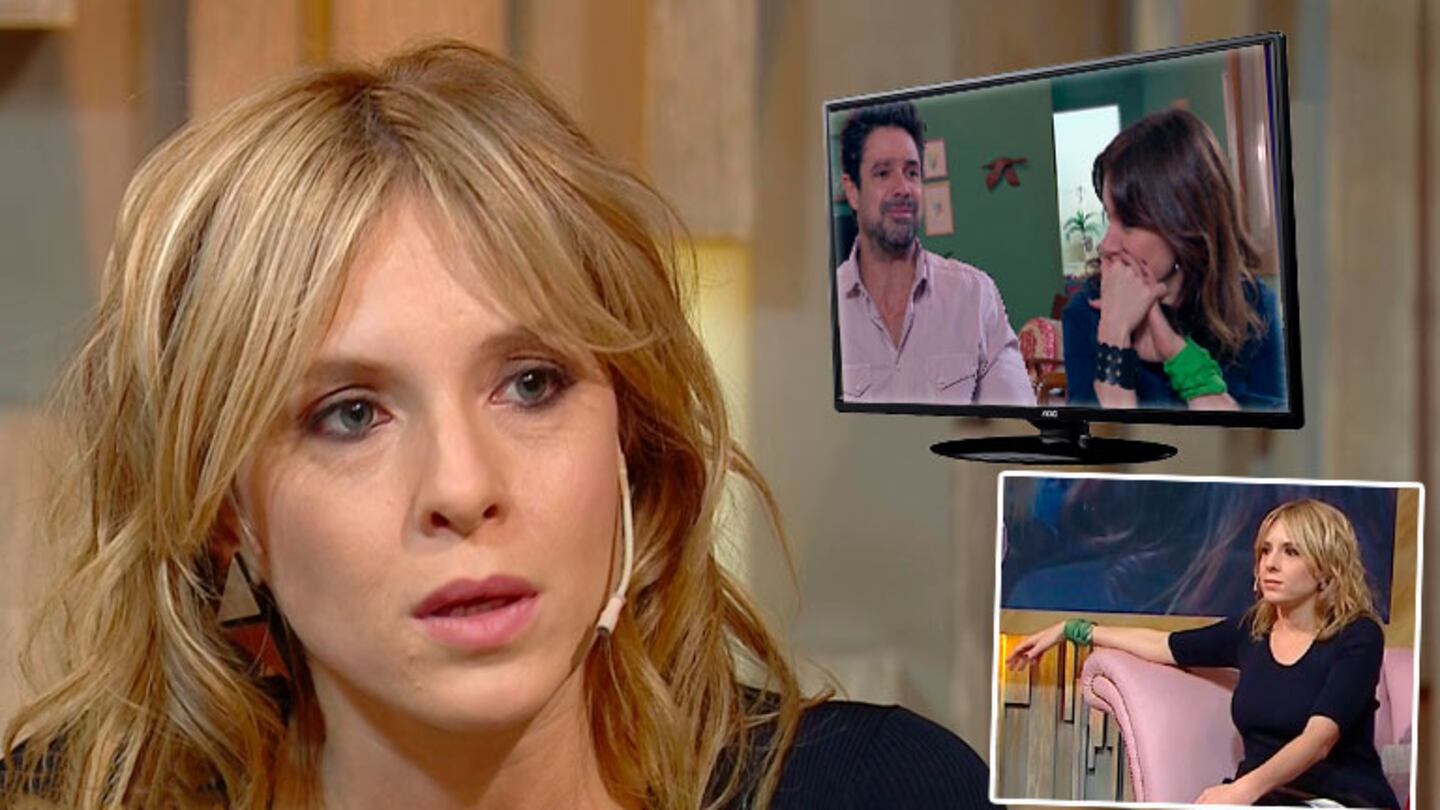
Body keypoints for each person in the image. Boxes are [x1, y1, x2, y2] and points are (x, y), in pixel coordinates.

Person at [0, 42, 996, 810]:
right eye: (351, 415)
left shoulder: (884, 793)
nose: (462, 487)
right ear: (228, 514)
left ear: (631, 441)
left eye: (530, 384)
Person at [1006, 500, 1400, 809]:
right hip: (1264, 799)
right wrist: (1073, 630)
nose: (1270, 564)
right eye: (1265, 550)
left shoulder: (1358, 636)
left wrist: (1242, 792)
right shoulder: (1252, 630)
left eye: (1291, 552)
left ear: (1327, 569)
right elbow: (1165, 645)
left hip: (1338, 801)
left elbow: (1319, 740)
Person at [1062, 108, 1287, 411]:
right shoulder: (1085, 314)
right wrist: (1114, 334)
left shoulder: (1257, 311)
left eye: (1128, 223)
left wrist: (1178, 355)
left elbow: (1263, 439)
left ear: (1185, 222)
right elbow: (1103, 439)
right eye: (1108, 217)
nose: (1106, 245)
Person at [835, 102, 1034, 407]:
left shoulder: (975, 296)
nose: (903, 187)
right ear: (852, 191)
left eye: (912, 172)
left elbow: (1017, 424)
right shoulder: (823, 314)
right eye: (883, 173)